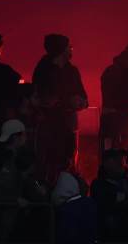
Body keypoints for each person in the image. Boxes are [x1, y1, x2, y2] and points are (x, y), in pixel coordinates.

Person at [32, 33, 87, 177]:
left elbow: (84, 98)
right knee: (48, 160)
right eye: (70, 47)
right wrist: (68, 101)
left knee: (68, 160)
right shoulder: (43, 70)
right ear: (62, 49)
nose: (72, 50)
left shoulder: (72, 71)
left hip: (68, 125)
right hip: (50, 125)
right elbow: (44, 99)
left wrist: (80, 102)